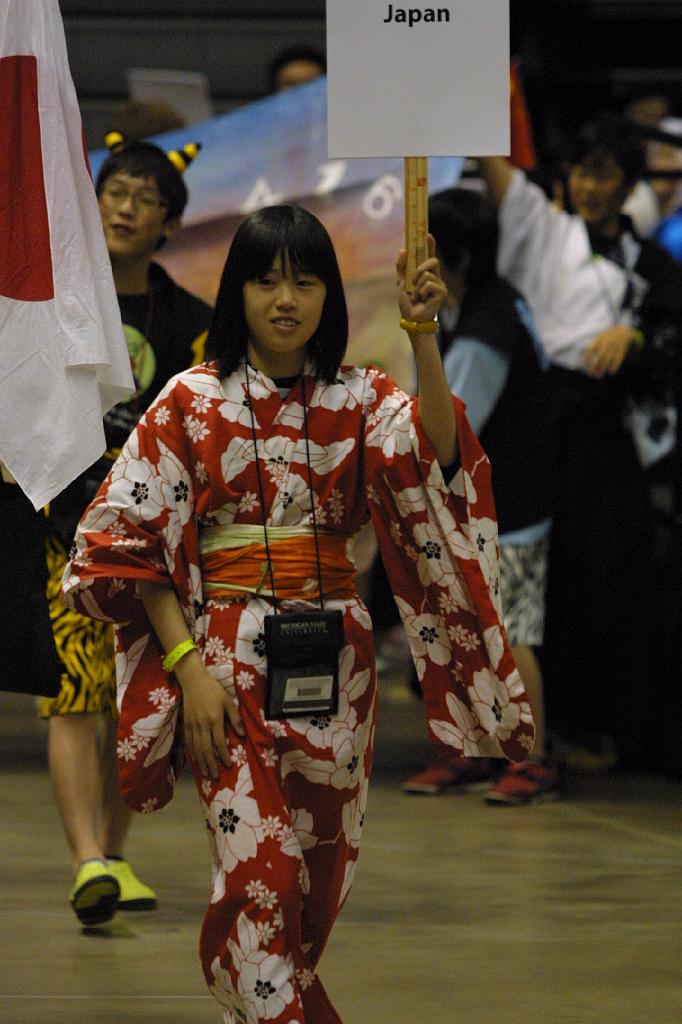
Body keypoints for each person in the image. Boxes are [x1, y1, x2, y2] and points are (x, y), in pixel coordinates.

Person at [61, 204, 534, 1022]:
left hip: (335, 668)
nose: (285, 298)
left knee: (311, 890)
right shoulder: (189, 400)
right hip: (222, 669)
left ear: (330, 296)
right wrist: (187, 670)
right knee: (260, 878)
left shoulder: (363, 397)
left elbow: (437, 457)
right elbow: (134, 547)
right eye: (265, 279)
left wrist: (423, 334)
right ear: (236, 292)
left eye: (305, 280)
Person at [39, 136, 213, 927]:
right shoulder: (51, 305)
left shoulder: (192, 326)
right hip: (59, 523)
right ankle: (87, 860)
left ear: (169, 223)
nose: (125, 205)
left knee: (137, 695)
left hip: (150, 540)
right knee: (74, 689)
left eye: (146, 197)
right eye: (115, 190)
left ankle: (114, 852)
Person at [479, 115, 682, 770]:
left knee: (611, 578)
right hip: (539, 427)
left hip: (609, 437)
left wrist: (637, 339)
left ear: (628, 187)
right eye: (583, 171)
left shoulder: (652, 261)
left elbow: (670, 340)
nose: (591, 186)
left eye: (606, 174)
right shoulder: (545, 232)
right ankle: (545, 726)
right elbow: (498, 167)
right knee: (540, 582)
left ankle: (610, 727)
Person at [403, 188, 557, 804]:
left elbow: (451, 426)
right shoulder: (479, 306)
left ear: (457, 256)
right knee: (462, 629)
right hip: (477, 506)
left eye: (425, 249)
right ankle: (470, 748)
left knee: (512, 630)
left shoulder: (488, 327)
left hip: (512, 508)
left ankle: (532, 758)